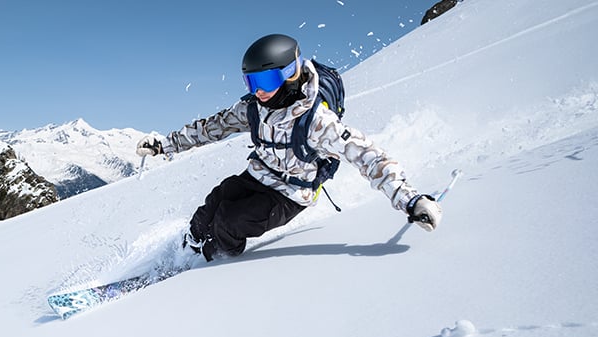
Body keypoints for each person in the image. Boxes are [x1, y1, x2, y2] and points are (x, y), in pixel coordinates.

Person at [136, 33, 442, 262]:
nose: (259, 92)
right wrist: (165, 144)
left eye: (266, 80)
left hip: (291, 193)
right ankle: (187, 251)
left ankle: (210, 262)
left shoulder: (317, 121)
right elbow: (213, 128)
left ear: (290, 73)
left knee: (230, 223)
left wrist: (411, 200)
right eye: (251, 82)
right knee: (214, 204)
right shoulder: (254, 107)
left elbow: (367, 156)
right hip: (259, 174)